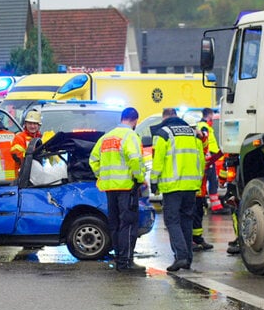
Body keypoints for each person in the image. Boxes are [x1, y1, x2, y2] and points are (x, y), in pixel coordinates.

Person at [89, 107, 145, 273]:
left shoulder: (106, 137)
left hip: (110, 188)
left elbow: (93, 160)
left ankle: (119, 258)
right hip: (126, 187)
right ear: (135, 121)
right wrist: (140, 178)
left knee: (115, 224)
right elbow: (135, 159)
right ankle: (126, 262)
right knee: (128, 224)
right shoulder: (130, 136)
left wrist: (103, 176)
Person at [151, 108, 204, 272]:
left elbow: (158, 160)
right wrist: (198, 180)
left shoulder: (163, 133)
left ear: (164, 117)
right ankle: (187, 258)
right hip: (191, 185)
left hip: (173, 186)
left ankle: (181, 256)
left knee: (172, 221)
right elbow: (200, 159)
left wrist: (154, 181)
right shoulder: (192, 132)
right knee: (186, 220)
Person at [196, 108, 224, 213]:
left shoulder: (203, 125)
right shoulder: (204, 126)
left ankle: (206, 203)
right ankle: (214, 206)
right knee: (211, 181)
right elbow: (205, 140)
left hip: (209, 156)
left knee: (207, 181)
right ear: (209, 115)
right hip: (209, 157)